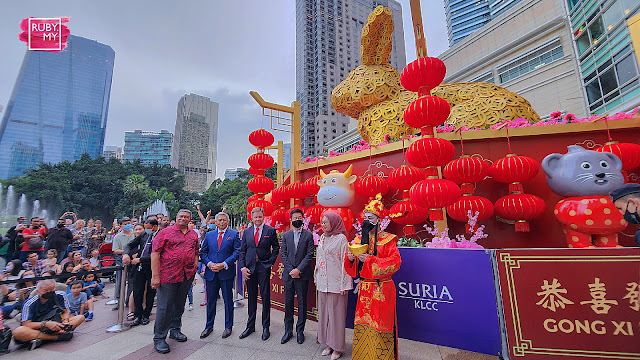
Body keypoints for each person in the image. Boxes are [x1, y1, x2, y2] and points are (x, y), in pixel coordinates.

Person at [345, 194, 402, 360]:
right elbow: (353, 266)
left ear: (378, 220)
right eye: (365, 217)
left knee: (380, 325)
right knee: (363, 323)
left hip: (382, 289)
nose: (366, 220)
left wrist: (370, 260)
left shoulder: (388, 240)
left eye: (370, 218)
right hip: (364, 289)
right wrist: (351, 259)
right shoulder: (358, 240)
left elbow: (395, 263)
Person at [150, 210, 199, 354]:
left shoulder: (193, 234)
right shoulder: (165, 232)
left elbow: (196, 252)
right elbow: (155, 253)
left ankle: (175, 330)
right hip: (168, 276)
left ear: (190, 219)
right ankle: (159, 337)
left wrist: (194, 267)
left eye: (186, 217)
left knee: (179, 304)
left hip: (186, 275)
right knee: (164, 308)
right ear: (176, 218)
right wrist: (155, 276)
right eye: (180, 216)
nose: (183, 219)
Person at [238, 207, 279, 341]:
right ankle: (250, 326)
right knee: (251, 298)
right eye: (255, 217)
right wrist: (243, 267)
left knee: (265, 297)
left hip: (263, 267)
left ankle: (265, 327)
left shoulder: (270, 231)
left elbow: (276, 248)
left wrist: (270, 262)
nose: (258, 219)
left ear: (263, 216)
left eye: (260, 217)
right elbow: (242, 251)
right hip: (249, 268)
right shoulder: (247, 232)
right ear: (251, 217)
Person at [315, 213, 353, 359]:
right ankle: (328, 343)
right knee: (325, 315)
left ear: (334, 222)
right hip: (323, 283)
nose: (323, 225)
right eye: (322, 222)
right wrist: (317, 277)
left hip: (337, 284)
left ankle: (338, 347)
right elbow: (319, 259)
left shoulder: (341, 239)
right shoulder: (323, 237)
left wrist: (345, 284)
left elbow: (346, 263)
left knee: (336, 316)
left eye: (326, 222)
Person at [199, 212, 241, 339]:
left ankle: (228, 326)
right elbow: (203, 252)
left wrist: (224, 264)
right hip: (211, 273)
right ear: (215, 222)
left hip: (226, 272)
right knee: (211, 300)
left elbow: (237, 252)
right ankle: (209, 326)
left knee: (228, 300)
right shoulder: (209, 235)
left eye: (224, 220)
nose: (222, 222)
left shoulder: (234, 234)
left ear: (227, 221)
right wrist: (209, 263)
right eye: (220, 220)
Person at [12, 279, 84, 350]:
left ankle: (41, 338)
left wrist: (65, 323)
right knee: (18, 332)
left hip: (56, 322)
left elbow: (65, 311)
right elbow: (26, 324)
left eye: (52, 289)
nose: (49, 292)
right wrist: (46, 324)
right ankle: (56, 337)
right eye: (45, 290)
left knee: (80, 317)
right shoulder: (29, 303)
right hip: (37, 327)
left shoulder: (60, 295)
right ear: (38, 291)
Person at [280, 208, 315, 345]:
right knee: (288, 303)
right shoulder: (286, 235)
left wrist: (298, 269)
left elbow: (309, 254)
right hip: (289, 275)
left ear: (303, 219)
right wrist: (291, 270)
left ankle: (300, 330)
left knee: (302, 303)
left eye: (299, 217)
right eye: (295, 218)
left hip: (302, 275)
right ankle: (288, 331)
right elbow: (283, 254)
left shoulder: (308, 235)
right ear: (291, 219)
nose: (297, 220)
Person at [123, 219, 159, 326]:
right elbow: (129, 245)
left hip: (152, 267)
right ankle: (137, 315)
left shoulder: (160, 236)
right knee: (137, 291)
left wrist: (141, 259)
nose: (146, 230)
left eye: (148, 227)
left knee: (150, 292)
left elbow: (157, 254)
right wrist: (126, 254)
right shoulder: (144, 235)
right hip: (139, 267)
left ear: (154, 227)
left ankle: (146, 315)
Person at [112, 217, 135, 310]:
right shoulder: (117, 236)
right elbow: (115, 250)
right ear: (120, 226)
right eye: (125, 224)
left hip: (133, 260)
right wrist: (126, 252)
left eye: (129, 223)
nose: (127, 225)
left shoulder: (135, 233)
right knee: (120, 282)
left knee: (132, 281)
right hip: (121, 261)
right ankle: (118, 300)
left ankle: (129, 300)